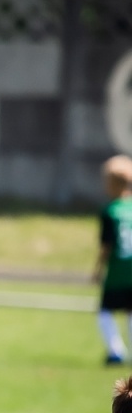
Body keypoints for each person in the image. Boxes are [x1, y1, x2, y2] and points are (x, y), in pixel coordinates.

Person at [93, 155, 132, 365]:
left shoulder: (110, 211)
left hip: (118, 272)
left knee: (105, 311)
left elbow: (106, 246)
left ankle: (115, 351)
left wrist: (98, 270)